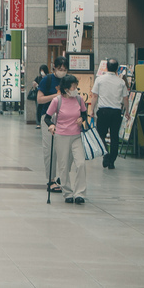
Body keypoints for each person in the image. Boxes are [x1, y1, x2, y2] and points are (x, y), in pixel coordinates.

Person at [45, 74, 89, 204]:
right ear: (66, 88)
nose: (76, 89)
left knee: (80, 163)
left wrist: (82, 119)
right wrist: (52, 125)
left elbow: (84, 113)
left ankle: (79, 193)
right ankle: (68, 192)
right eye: (73, 87)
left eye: (76, 86)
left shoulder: (79, 99)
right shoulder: (57, 101)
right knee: (64, 166)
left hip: (76, 135)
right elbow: (47, 117)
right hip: (61, 136)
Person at [91, 59, 129, 170]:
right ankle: (112, 161)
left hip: (103, 111)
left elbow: (94, 96)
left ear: (106, 67)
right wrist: (127, 111)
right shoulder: (121, 82)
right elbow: (125, 98)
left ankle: (105, 153)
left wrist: (91, 110)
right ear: (117, 68)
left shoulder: (100, 80)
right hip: (116, 112)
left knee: (101, 135)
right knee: (114, 137)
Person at [38, 57, 68, 192]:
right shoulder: (47, 80)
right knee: (49, 149)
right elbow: (39, 99)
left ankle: (62, 177)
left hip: (66, 118)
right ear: (54, 67)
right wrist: (55, 96)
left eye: (65, 69)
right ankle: (51, 180)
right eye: (60, 69)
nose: (62, 72)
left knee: (64, 150)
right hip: (48, 118)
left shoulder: (69, 80)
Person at [30, 64, 50, 129]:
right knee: (39, 109)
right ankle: (38, 123)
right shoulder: (38, 78)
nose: (42, 72)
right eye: (41, 70)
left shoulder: (49, 78)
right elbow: (34, 83)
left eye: (43, 70)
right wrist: (35, 85)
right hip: (39, 96)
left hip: (47, 96)